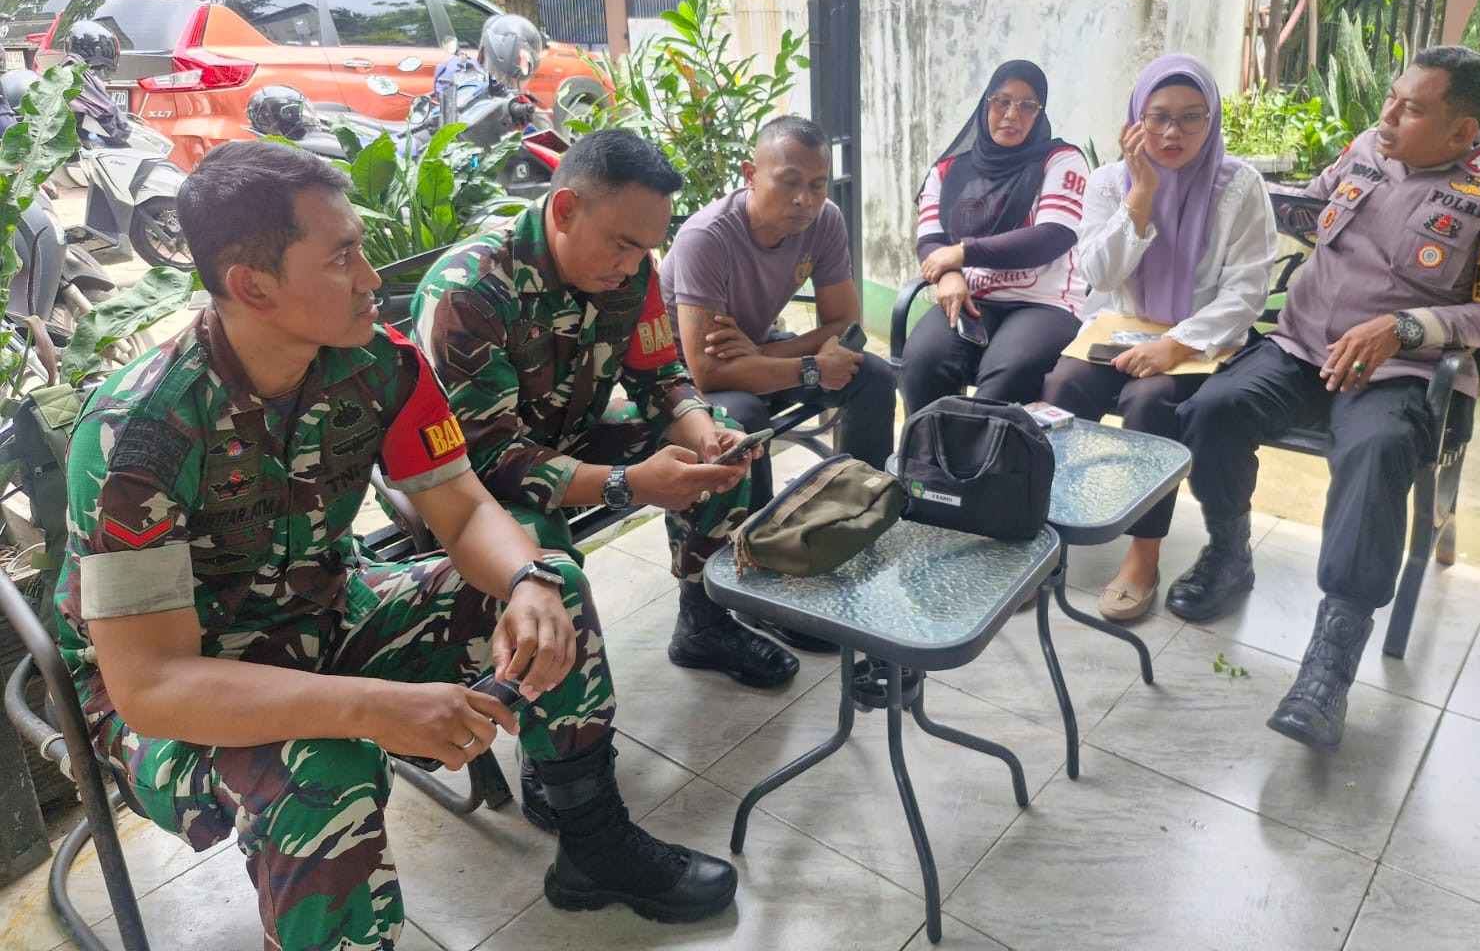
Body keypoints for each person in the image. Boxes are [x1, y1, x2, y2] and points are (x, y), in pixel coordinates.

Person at [54, 141, 737, 951]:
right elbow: (153, 684)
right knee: (324, 776)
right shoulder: (140, 435)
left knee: (553, 589)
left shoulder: (377, 363)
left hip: (325, 608)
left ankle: (593, 846)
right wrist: (376, 710)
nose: (373, 277)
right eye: (342, 257)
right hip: (174, 693)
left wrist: (525, 579)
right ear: (252, 285)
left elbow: (460, 506)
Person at [1173, 46, 1480, 752]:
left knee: (1378, 455)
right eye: (1391, 97)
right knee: (1208, 411)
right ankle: (1229, 551)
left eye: (1412, 109)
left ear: (1462, 130)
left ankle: (1331, 662)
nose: (1387, 117)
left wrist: (1409, 326)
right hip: (1300, 350)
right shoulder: (1366, 149)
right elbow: (1316, 210)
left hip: (1402, 371)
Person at [409, 133, 799, 725]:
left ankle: (706, 623)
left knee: (724, 433)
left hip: (572, 433)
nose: (633, 265)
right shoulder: (471, 292)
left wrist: (697, 428)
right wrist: (629, 483)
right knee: (543, 555)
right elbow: (489, 459)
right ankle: (559, 748)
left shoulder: (631, 270)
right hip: (473, 486)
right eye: (623, 244)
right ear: (565, 209)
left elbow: (659, 370)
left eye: (645, 248)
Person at [1040, 53, 1276, 622]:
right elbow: (1098, 275)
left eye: (1191, 117)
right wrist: (1140, 193)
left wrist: (1176, 346)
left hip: (1202, 342)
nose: (1172, 132)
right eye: (1158, 116)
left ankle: (1142, 555)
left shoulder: (1240, 187)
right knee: (1061, 386)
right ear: (1136, 120)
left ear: (1212, 119)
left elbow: (1246, 293)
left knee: (1151, 402)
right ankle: (1046, 540)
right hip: (1122, 331)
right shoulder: (1108, 182)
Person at [661, 114, 896, 512]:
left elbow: (844, 325)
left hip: (753, 351)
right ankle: (756, 546)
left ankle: (857, 511)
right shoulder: (707, 239)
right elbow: (708, 370)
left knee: (872, 375)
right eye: (789, 182)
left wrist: (759, 354)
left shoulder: (825, 221)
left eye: (817, 185)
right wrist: (812, 367)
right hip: (681, 375)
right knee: (743, 415)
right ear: (750, 174)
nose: (804, 199)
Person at [900, 59, 1091, 415]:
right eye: (1001, 101)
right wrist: (950, 273)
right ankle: (926, 464)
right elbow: (930, 242)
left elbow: (1053, 236)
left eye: (1027, 105)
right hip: (971, 298)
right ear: (985, 104)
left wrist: (961, 254)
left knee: (1007, 373)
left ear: (1039, 113)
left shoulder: (1060, 160)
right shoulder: (948, 170)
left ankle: (987, 469)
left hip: (1044, 303)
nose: (1011, 114)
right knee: (922, 362)